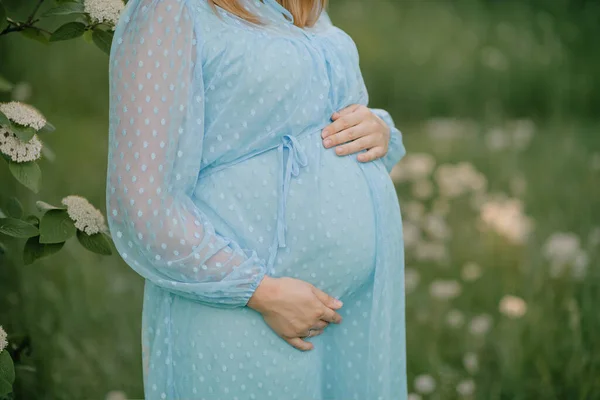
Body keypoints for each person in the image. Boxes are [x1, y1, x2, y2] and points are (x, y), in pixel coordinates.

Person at [105, 0, 407, 398]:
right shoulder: (170, 10)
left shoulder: (298, 8)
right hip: (245, 311)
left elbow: (315, 120)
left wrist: (379, 129)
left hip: (351, 315)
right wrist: (261, 292)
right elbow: (141, 205)